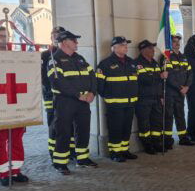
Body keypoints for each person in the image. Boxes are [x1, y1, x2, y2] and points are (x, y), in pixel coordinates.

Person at [47, 30, 98, 174]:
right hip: (65, 102)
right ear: (64, 42)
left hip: (83, 102)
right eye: (74, 40)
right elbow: (58, 82)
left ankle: (82, 159)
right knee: (63, 132)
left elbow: (92, 76)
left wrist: (92, 92)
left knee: (83, 130)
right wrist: (78, 95)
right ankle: (60, 163)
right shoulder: (54, 60)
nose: (77, 43)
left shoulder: (80, 58)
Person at [0, 25, 29, 186]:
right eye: (0, 36)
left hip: (15, 101)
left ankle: (16, 170)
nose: (4, 39)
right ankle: (3, 172)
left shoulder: (15, 56)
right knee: (0, 139)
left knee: (17, 138)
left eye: (6, 36)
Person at [96, 36, 139, 162]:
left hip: (130, 103)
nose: (126, 47)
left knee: (126, 128)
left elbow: (137, 81)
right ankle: (115, 152)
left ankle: (124, 150)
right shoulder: (105, 64)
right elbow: (100, 85)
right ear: (113, 48)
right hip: (115, 105)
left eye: (126, 44)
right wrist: (110, 97)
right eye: (122, 45)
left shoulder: (132, 62)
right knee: (115, 129)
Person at [134, 40, 165, 155]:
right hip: (143, 99)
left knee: (156, 122)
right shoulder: (137, 64)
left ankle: (157, 143)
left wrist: (161, 95)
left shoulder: (155, 63)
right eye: (151, 48)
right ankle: (147, 145)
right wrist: (159, 76)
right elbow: (143, 80)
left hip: (156, 98)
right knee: (144, 124)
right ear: (143, 50)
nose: (153, 51)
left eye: (153, 48)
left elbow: (160, 83)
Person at [165, 34, 195, 146]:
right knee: (169, 116)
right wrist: (180, 88)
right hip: (171, 92)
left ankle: (183, 138)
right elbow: (169, 76)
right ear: (169, 43)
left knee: (180, 115)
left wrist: (187, 86)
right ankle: (167, 140)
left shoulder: (184, 57)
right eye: (174, 41)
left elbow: (190, 73)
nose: (177, 43)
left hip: (181, 92)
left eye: (178, 41)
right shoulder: (166, 57)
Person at [41, 26, 66, 159]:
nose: (56, 37)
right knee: (53, 122)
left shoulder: (68, 55)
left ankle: (69, 151)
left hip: (65, 96)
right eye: (54, 35)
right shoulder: (46, 55)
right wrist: (53, 89)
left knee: (68, 124)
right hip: (51, 95)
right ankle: (53, 150)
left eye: (60, 34)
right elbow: (43, 77)